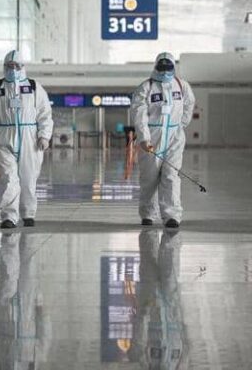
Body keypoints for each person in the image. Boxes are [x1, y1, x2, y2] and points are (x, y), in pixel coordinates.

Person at [0, 50, 53, 229]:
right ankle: (9, 217)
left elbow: (44, 113)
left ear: (22, 67)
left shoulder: (34, 87)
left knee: (28, 179)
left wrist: (44, 135)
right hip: (4, 137)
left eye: (16, 66)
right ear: (4, 67)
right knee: (8, 179)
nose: (13, 69)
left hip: (30, 139)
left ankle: (28, 213)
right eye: (9, 66)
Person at [131, 52, 195, 228]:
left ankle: (172, 215)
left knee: (171, 176)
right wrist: (144, 138)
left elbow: (189, 104)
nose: (165, 71)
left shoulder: (181, 86)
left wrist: (181, 123)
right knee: (149, 178)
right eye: (162, 67)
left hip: (174, 137)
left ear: (173, 67)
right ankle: (148, 214)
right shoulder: (146, 88)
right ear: (156, 67)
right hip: (152, 138)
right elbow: (139, 114)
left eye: (168, 68)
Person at [0, 232, 51, 369]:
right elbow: (45, 338)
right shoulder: (34, 363)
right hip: (28, 315)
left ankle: (10, 237)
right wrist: (42, 311)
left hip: (5, 313)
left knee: (8, 274)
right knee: (29, 266)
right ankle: (28, 234)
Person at [129, 230, 187, 369]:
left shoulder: (147, 362)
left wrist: (142, 314)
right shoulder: (178, 365)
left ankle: (149, 231)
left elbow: (138, 342)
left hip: (151, 305)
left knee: (148, 263)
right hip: (172, 309)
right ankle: (171, 235)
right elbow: (186, 346)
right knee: (170, 272)